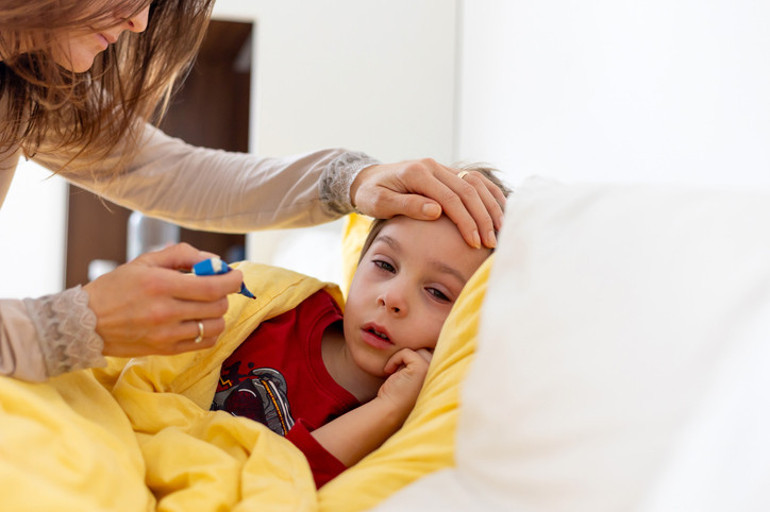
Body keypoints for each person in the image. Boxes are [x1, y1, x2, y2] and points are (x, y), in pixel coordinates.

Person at [0, 1, 507, 382]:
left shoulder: (29, 78)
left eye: (438, 292)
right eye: (385, 264)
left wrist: (349, 181)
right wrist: (67, 327)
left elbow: (168, 172)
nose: (139, 21)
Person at [211, 165, 510, 488]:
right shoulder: (279, 312)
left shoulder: (410, 425)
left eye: (437, 293)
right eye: (384, 264)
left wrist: (388, 409)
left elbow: (273, 484)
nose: (392, 297)